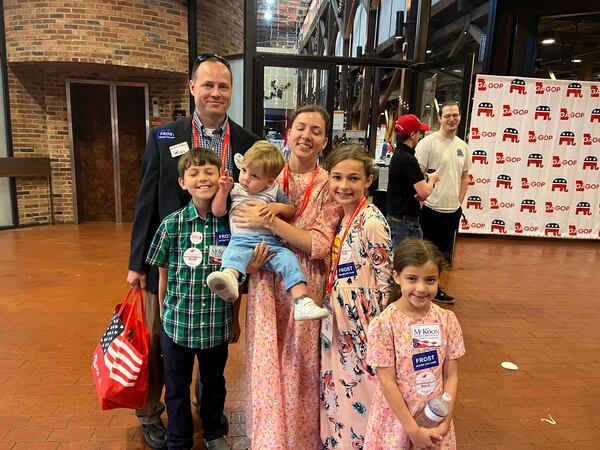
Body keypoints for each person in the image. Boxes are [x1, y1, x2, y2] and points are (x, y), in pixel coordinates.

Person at [126, 54, 259, 449]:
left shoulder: (249, 142)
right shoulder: (166, 136)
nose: (215, 92)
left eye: (223, 86)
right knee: (159, 344)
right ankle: (151, 413)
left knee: (213, 347)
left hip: (225, 258)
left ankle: (208, 413)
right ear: (192, 87)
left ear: (231, 92)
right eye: (208, 84)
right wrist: (137, 264)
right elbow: (146, 201)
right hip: (171, 258)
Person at [233, 105, 342, 449]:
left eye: (315, 130)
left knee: (300, 366)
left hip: (304, 286)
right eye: (300, 127)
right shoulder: (265, 172)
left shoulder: (328, 184)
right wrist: (246, 266)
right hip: (265, 281)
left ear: (325, 140)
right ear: (288, 132)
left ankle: (298, 441)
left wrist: (272, 223)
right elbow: (236, 227)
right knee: (265, 365)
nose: (306, 136)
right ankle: (269, 440)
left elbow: (320, 244)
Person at [145, 148, 234, 450]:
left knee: (214, 383)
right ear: (183, 183)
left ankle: (213, 431)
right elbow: (162, 277)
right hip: (178, 325)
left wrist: (234, 321)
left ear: (222, 177)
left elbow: (238, 282)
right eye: (194, 173)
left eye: (209, 171)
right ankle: (180, 439)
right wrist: (162, 319)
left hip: (215, 325)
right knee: (176, 387)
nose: (202, 178)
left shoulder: (231, 226)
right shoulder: (172, 225)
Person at [320, 146, 393, 449]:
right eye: (337, 177)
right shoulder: (343, 217)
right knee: (337, 385)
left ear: (368, 180)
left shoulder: (372, 222)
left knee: (362, 387)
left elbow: (386, 281)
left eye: (353, 178)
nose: (343, 186)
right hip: (336, 316)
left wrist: (375, 328)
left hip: (361, 322)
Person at [206, 140, 328, 320]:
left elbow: (291, 209)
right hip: (240, 240)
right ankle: (230, 278)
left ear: (269, 181)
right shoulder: (235, 188)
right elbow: (218, 211)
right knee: (232, 256)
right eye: (244, 170)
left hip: (270, 243)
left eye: (254, 176)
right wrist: (223, 191)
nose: (246, 178)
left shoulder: (273, 190)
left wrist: (276, 208)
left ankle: (302, 301)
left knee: (289, 260)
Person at [363, 239, 465, 450]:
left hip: (435, 419)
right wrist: (412, 430)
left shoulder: (447, 320)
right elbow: (387, 381)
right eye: (412, 278)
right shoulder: (384, 325)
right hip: (397, 422)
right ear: (396, 277)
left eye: (430, 280)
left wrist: (445, 422)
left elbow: (451, 376)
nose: (421, 288)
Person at [415, 102, 470, 304]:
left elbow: (465, 177)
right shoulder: (428, 143)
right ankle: (419, 289)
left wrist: (459, 202)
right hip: (430, 210)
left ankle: (434, 288)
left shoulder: (462, 146)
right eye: (447, 115)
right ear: (439, 118)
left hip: (451, 211)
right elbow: (417, 174)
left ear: (460, 117)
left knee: (440, 257)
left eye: (455, 115)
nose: (451, 119)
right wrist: (421, 199)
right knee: (425, 253)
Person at [387, 114, 440, 250]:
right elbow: (424, 192)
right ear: (412, 135)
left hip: (399, 221)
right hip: (405, 225)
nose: (420, 136)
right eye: (419, 132)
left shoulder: (398, 155)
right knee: (404, 265)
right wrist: (432, 179)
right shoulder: (407, 159)